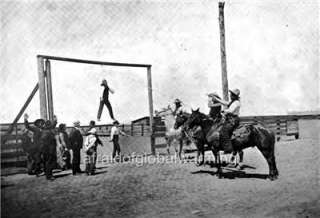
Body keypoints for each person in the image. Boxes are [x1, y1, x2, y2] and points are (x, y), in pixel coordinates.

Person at [212, 88, 241, 153]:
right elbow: (225, 103)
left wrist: (223, 111)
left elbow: (231, 110)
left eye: (231, 95)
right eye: (231, 94)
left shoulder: (236, 103)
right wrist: (217, 99)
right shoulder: (233, 102)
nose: (230, 96)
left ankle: (228, 149)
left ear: (235, 96)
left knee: (224, 131)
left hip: (233, 120)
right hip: (231, 119)